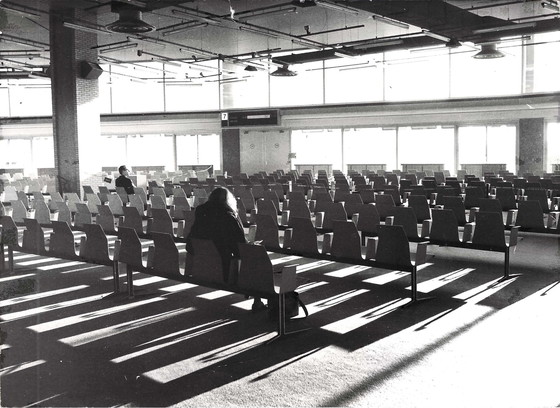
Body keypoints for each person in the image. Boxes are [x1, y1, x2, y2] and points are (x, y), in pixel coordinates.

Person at [186, 186, 265, 311]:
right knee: (255, 256)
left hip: (201, 264)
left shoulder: (201, 211)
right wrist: (250, 246)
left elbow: (191, 241)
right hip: (222, 268)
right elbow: (240, 247)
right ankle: (257, 300)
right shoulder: (229, 215)